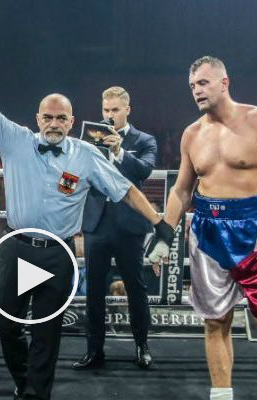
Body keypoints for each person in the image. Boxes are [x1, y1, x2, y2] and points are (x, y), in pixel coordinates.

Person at [0, 64, 175, 400]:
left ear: (72, 122)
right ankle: (24, 379)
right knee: (8, 326)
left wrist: (159, 223)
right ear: (38, 118)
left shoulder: (86, 155)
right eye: (48, 117)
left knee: (47, 331)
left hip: (58, 254)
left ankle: (36, 394)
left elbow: (126, 189)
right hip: (17, 247)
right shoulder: (16, 140)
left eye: (61, 118)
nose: (54, 124)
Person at [148, 56, 257, 400]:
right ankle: (221, 395)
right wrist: (164, 235)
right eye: (192, 86)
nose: (196, 91)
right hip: (208, 231)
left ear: (224, 83)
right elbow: (182, 190)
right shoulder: (192, 134)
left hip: (255, 232)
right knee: (215, 322)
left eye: (203, 83)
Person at [73, 86, 158, 371]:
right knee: (94, 290)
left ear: (127, 110)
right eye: (106, 110)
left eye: (115, 110)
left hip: (129, 223)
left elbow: (144, 171)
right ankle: (94, 350)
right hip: (97, 222)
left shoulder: (144, 140)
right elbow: (76, 172)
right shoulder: (90, 138)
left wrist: (119, 151)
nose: (110, 115)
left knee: (136, 288)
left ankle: (142, 346)